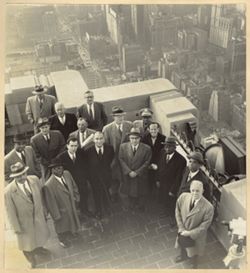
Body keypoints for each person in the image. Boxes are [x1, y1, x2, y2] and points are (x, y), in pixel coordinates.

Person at [5, 162, 50, 268]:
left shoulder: (34, 180)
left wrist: (44, 210)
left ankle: (39, 249)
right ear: (14, 177)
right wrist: (16, 227)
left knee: (39, 235)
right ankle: (30, 259)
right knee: (27, 243)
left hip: (37, 216)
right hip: (23, 222)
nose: (22, 177)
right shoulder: (9, 192)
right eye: (18, 176)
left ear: (26, 172)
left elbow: (41, 196)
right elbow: (10, 212)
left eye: (23, 174)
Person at [175, 180, 214, 268]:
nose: (195, 193)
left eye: (197, 191)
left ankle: (194, 262)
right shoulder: (183, 197)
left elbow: (204, 226)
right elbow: (177, 210)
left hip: (196, 235)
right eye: (193, 190)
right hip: (183, 230)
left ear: (202, 191)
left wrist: (189, 233)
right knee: (182, 244)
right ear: (190, 189)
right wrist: (181, 227)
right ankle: (183, 256)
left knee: (194, 250)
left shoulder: (208, 207)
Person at [43, 158, 80, 248]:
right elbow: (51, 203)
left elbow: (74, 186)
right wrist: (56, 215)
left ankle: (72, 231)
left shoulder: (67, 174)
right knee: (61, 226)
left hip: (71, 204)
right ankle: (62, 240)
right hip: (61, 209)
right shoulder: (48, 185)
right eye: (56, 168)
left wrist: (76, 197)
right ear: (52, 170)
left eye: (60, 167)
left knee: (72, 220)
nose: (59, 170)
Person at [102, 106, 133, 202]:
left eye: (122, 116)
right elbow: (106, 145)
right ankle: (114, 195)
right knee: (114, 177)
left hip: (127, 158)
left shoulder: (129, 125)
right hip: (114, 158)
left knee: (127, 177)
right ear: (113, 117)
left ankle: (129, 195)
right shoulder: (107, 129)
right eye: (117, 116)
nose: (120, 118)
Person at [57, 137, 91, 219]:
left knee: (84, 194)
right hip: (70, 181)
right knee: (73, 197)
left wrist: (85, 177)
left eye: (75, 146)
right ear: (67, 146)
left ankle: (85, 210)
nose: (73, 148)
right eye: (71, 146)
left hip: (81, 179)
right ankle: (75, 214)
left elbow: (86, 165)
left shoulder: (81, 153)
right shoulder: (61, 157)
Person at [119, 127, 152, 212]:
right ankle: (130, 205)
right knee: (129, 190)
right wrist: (129, 171)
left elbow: (147, 162)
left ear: (140, 138)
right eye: (132, 138)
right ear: (129, 138)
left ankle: (140, 206)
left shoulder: (147, 148)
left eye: (136, 138)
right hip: (128, 174)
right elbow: (121, 159)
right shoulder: (123, 147)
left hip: (140, 175)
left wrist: (137, 172)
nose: (134, 140)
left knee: (140, 191)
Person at [156, 136, 186, 223]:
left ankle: (171, 214)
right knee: (163, 197)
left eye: (169, 146)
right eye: (166, 146)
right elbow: (159, 166)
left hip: (171, 185)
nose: (167, 148)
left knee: (170, 200)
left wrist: (173, 190)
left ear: (174, 147)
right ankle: (165, 209)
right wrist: (157, 179)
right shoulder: (162, 152)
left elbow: (179, 177)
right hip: (162, 182)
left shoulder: (181, 160)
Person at [85, 132, 115, 219]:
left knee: (106, 192)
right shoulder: (88, 151)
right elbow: (87, 166)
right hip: (94, 178)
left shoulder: (110, 148)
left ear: (104, 139)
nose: (99, 141)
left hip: (106, 176)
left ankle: (107, 207)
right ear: (93, 140)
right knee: (96, 194)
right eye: (97, 139)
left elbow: (111, 161)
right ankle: (98, 210)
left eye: (101, 138)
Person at [141, 122, 166, 194]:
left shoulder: (163, 138)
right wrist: (149, 164)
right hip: (147, 164)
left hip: (159, 164)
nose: (153, 131)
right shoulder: (144, 138)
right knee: (148, 183)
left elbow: (163, 154)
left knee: (157, 184)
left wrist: (157, 165)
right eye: (151, 129)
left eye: (155, 129)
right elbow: (143, 153)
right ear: (148, 129)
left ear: (158, 129)